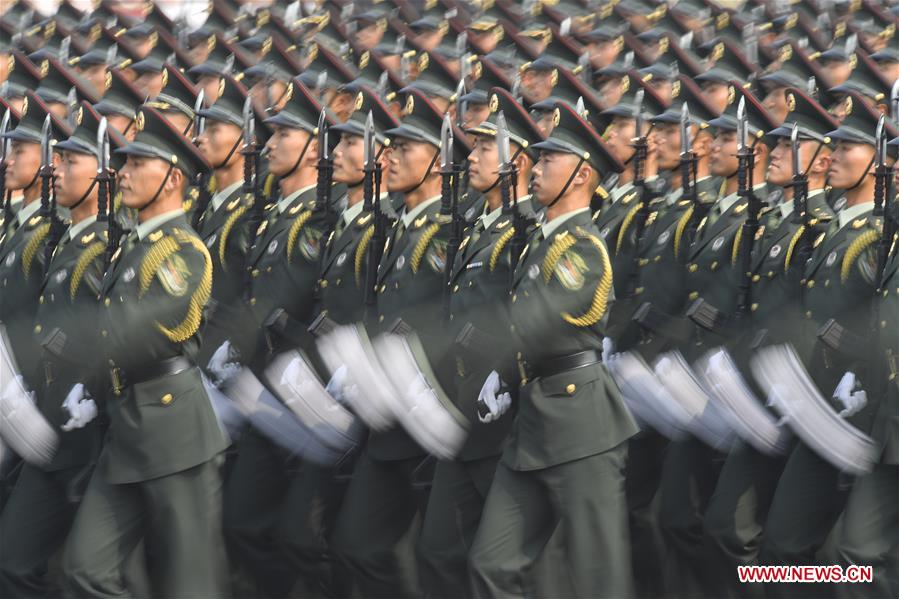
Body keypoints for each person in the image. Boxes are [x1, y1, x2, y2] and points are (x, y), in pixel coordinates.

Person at [469, 101, 638, 598]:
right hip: (535, 422)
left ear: (582, 174)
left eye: (547, 161)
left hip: (581, 427)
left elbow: (535, 320)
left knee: (597, 577)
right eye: (536, 160)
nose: (535, 170)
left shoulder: (582, 247)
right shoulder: (540, 242)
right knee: (492, 563)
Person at [62, 106, 229, 599]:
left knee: (191, 584)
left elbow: (144, 331)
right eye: (125, 163)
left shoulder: (183, 251)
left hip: (174, 433)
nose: (124, 173)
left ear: (173, 177)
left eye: (138, 164)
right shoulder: (134, 245)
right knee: (85, 568)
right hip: (129, 426)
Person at [329, 89, 469, 599]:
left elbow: (447, 319)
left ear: (437, 161)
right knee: (356, 544)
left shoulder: (451, 229)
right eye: (388, 149)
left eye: (404, 150)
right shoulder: (395, 225)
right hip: (387, 415)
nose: (387, 158)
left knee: (436, 555)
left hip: (429, 411)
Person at [702, 88, 838, 599]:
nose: (774, 152)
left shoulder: (819, 228)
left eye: (789, 145)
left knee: (798, 545)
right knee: (726, 526)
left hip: (800, 399)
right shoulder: (772, 220)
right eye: (775, 143)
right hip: (756, 393)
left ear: (821, 162)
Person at [417, 87, 543, 598]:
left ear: (519, 160)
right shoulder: (476, 225)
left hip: (501, 415)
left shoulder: (527, 228)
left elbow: (528, 323)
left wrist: (505, 379)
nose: (472, 156)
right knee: (440, 550)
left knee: (502, 563)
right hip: (461, 408)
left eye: (487, 148)